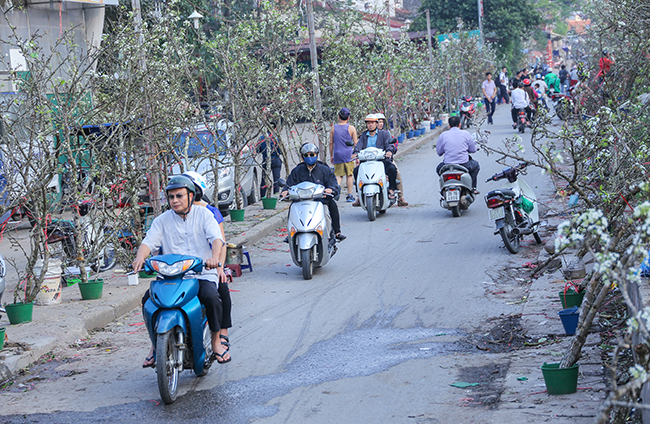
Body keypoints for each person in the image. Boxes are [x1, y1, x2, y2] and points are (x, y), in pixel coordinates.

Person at [134, 175, 230, 366]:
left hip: (201, 273)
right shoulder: (161, 220)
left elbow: (217, 239)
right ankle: (155, 346)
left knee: (211, 297)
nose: (175, 201)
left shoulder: (204, 215)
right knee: (148, 301)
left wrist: (214, 258)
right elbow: (148, 242)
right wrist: (139, 257)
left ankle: (216, 341)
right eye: (171, 197)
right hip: (171, 276)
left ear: (191, 196)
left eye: (179, 196)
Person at [182, 171, 232, 353]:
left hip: (208, 265)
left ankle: (221, 333)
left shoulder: (209, 212)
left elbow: (220, 242)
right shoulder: (173, 213)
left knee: (221, 287)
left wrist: (219, 265)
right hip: (182, 269)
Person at [282, 143, 346, 241]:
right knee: (292, 208)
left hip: (320, 201)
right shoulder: (297, 171)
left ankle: (332, 235)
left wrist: (331, 189)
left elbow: (333, 183)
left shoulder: (324, 170)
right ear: (302, 157)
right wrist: (285, 191)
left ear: (316, 155)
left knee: (328, 209)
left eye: (312, 154)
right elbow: (289, 184)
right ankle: (291, 233)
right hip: (301, 202)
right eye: (306, 155)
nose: (309, 157)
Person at [351, 114, 399, 206]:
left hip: (381, 160)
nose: (370, 125)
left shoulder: (384, 134)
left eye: (372, 123)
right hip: (366, 162)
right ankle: (359, 193)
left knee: (392, 168)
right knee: (356, 171)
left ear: (376, 124)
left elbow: (389, 145)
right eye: (368, 123)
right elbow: (358, 146)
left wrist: (389, 151)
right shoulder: (364, 136)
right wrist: (355, 153)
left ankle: (392, 189)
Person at [436, 115, 480, 194]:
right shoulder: (466, 134)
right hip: (464, 164)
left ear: (449, 125)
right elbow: (473, 150)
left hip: (447, 165)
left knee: (438, 169)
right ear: (460, 124)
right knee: (476, 165)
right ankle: (472, 187)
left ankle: (444, 186)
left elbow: (439, 152)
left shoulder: (443, 135)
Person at [376, 112, 408, 206]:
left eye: (382, 122)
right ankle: (359, 196)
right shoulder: (368, 134)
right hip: (373, 160)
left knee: (397, 173)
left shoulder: (386, 133)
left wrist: (389, 152)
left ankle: (400, 197)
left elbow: (391, 146)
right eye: (378, 122)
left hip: (386, 159)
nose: (380, 124)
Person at [329, 107, 358, 202]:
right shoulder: (351, 128)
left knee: (338, 175)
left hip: (338, 154)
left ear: (338, 116)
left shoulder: (334, 128)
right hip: (349, 155)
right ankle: (349, 195)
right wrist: (356, 155)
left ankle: (337, 189)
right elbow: (356, 143)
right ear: (348, 118)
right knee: (349, 175)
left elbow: (331, 143)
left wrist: (331, 155)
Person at [257, 123, 283, 198]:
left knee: (264, 179)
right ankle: (276, 195)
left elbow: (258, 150)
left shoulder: (261, 138)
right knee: (276, 179)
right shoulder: (276, 138)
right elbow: (280, 151)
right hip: (275, 160)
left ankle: (262, 197)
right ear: (274, 128)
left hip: (266, 160)